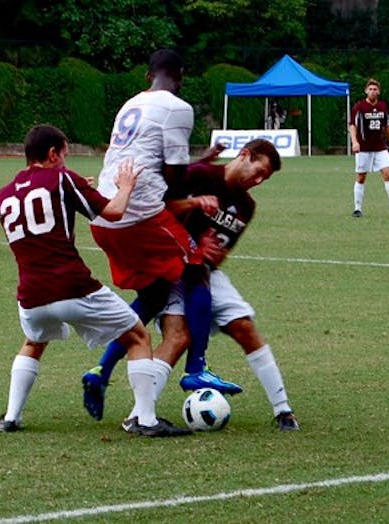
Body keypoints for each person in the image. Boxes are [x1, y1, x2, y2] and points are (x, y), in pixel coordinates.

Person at [0, 124, 191, 437]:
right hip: (72, 286)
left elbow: (42, 209)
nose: (66, 162)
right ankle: (146, 420)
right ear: (52, 153)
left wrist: (75, 189)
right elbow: (112, 212)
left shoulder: (2, 195)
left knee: (33, 342)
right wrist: (125, 186)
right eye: (64, 155)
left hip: (30, 296)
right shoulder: (62, 178)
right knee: (138, 336)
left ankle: (11, 418)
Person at [82, 50, 240, 422]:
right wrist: (202, 177)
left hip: (105, 214)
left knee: (154, 293)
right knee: (198, 265)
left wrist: (199, 160)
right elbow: (172, 176)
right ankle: (196, 367)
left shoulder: (131, 104)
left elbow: (151, 159)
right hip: (139, 216)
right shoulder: (178, 107)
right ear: (180, 75)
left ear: (148, 75)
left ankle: (100, 371)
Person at [103, 139, 300, 432]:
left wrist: (213, 254)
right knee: (177, 337)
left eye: (265, 178)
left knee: (244, 327)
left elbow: (219, 253)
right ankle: (139, 415)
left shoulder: (246, 206)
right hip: (170, 267)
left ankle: (283, 410)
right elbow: (160, 208)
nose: (258, 180)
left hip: (203, 274)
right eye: (258, 171)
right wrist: (193, 207)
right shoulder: (201, 176)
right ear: (244, 155)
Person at [349, 78, 389, 218]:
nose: (372, 91)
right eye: (370, 89)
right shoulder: (359, 107)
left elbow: (387, 126)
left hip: (380, 148)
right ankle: (357, 208)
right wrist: (354, 142)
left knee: (388, 174)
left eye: (375, 89)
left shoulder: (383, 106)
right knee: (361, 177)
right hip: (363, 148)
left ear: (379, 91)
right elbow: (353, 125)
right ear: (366, 91)